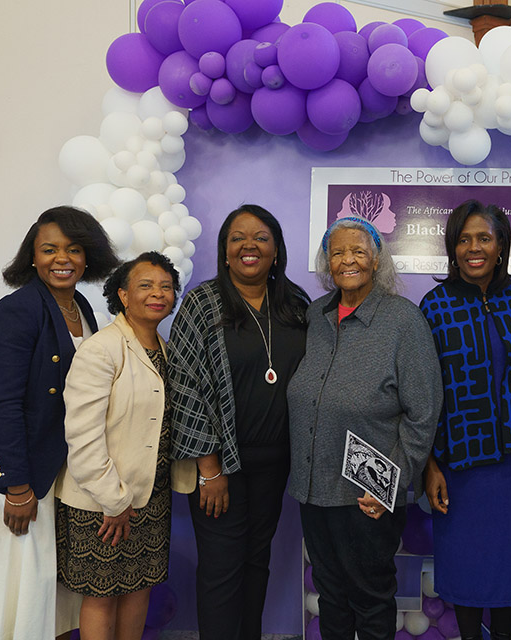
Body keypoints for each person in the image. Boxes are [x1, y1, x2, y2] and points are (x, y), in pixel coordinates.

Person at [0, 206, 118, 640]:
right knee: (7, 603)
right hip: (6, 477)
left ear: (87, 258)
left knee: (40, 598)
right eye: (49, 249)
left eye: (74, 249)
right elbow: (4, 403)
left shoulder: (80, 305)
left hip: (49, 468)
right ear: (32, 257)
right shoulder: (17, 309)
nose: (62, 259)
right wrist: (17, 487)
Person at [288, 216, 443, 640]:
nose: (347, 260)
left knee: (370, 598)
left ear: (376, 260)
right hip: (313, 485)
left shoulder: (402, 321)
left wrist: (386, 484)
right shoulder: (316, 316)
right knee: (330, 595)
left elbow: (423, 412)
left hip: (366, 489)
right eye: (337, 252)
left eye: (358, 251)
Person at [167, 205, 310, 640]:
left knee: (256, 562)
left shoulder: (297, 305)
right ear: (225, 252)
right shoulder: (202, 302)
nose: (249, 245)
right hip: (220, 465)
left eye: (261, 237)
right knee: (222, 566)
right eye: (237, 238)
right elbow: (184, 384)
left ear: (277, 250)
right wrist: (209, 469)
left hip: (275, 461)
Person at [56, 251, 194, 640]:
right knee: (102, 595)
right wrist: (113, 499)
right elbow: (82, 436)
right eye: (145, 286)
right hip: (102, 500)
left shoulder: (165, 350)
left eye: (166, 287)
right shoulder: (101, 349)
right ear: (123, 295)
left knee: (139, 587)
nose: (158, 294)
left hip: (150, 494)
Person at [419, 200, 511, 640]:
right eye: (464, 239)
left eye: (484, 238)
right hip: (455, 465)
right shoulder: (435, 306)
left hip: (510, 462)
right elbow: (422, 396)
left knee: (506, 571)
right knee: (464, 569)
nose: (474, 248)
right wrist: (429, 465)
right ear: (452, 247)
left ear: (501, 245)